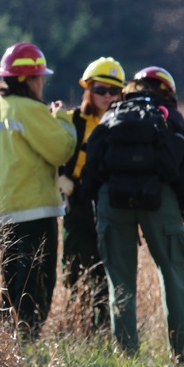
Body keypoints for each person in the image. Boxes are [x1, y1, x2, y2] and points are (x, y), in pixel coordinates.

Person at [83, 66, 184, 361]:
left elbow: (94, 167)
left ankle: (127, 357)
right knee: (172, 273)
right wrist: (180, 207)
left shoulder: (114, 113)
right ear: (167, 92)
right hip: (160, 198)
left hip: (114, 199)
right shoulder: (169, 116)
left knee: (120, 280)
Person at [0, 42, 77, 339]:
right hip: (37, 210)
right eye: (38, 77)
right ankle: (27, 340)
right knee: (38, 281)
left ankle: (6, 339)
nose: (42, 83)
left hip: (4, 210)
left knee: (11, 280)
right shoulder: (31, 110)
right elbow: (61, 150)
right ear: (25, 80)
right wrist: (61, 118)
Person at [58, 57, 125, 331]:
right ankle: (78, 330)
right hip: (77, 205)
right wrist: (61, 179)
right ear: (88, 89)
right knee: (75, 270)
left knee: (106, 270)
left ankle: (105, 332)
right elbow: (56, 154)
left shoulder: (125, 122)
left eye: (113, 91)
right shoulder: (72, 120)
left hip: (111, 204)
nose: (106, 96)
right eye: (100, 90)